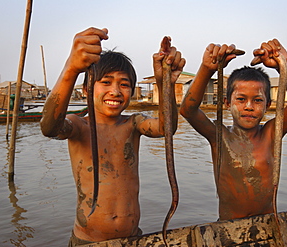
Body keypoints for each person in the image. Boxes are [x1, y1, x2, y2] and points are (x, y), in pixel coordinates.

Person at [40, 27, 185, 245]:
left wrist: (165, 82)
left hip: (133, 237)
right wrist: (71, 68)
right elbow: (49, 127)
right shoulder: (78, 125)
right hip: (88, 241)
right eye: (106, 82)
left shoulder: (133, 123)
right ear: (87, 89)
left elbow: (167, 128)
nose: (115, 91)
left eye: (124, 84)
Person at [180, 39, 287, 221]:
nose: (249, 106)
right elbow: (188, 110)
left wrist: (284, 65)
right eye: (241, 99)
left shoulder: (271, 133)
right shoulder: (219, 136)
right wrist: (207, 68)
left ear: (268, 105)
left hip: (268, 225)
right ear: (226, 103)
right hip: (228, 227)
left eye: (257, 100)